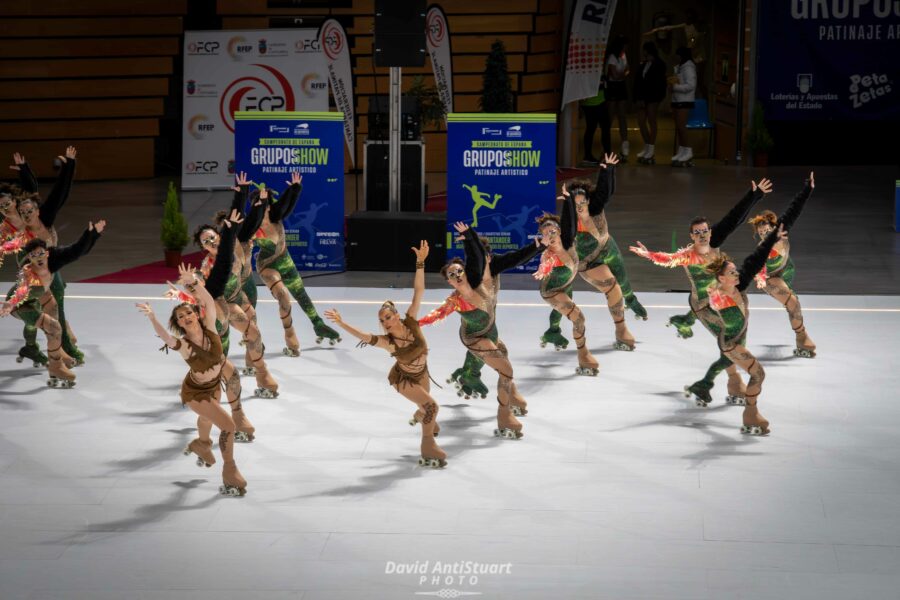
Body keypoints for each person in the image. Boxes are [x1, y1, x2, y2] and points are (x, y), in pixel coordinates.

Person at [629, 179, 771, 406]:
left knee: (735, 343)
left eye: (705, 231)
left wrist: (754, 195)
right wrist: (648, 254)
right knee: (732, 344)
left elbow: (734, 218)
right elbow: (667, 259)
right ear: (692, 236)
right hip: (705, 308)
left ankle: (730, 383)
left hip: (725, 301)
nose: (703, 235)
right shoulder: (688, 254)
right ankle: (714, 383)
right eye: (698, 233)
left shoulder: (715, 245)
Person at [325, 241, 447, 468]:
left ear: (397, 315)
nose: (385, 322)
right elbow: (364, 336)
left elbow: (419, 290)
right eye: (381, 320)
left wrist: (420, 263)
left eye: (388, 318)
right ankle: (428, 447)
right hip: (404, 380)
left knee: (427, 412)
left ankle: (422, 417)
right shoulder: (388, 342)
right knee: (432, 407)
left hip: (422, 373)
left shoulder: (411, 320)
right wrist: (342, 323)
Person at [137, 262, 248, 496]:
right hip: (195, 392)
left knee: (208, 420)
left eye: (188, 312)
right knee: (228, 426)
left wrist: (193, 283)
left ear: (196, 316)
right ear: (178, 324)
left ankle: (202, 444)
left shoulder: (210, 327)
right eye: (180, 317)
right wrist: (152, 318)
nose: (185, 316)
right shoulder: (184, 345)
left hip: (213, 383)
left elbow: (207, 302)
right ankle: (230, 472)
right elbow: (167, 339)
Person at [421, 223, 539, 438]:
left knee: (504, 357)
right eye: (453, 274)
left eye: (459, 271)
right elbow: (436, 314)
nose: (457, 274)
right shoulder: (465, 287)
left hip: (491, 329)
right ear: (449, 281)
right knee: (506, 370)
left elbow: (515, 257)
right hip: (475, 337)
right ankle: (503, 417)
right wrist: (415, 324)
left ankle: (510, 396)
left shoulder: (493, 270)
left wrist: (537, 247)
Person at [544, 153, 646, 353]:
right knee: (603, 287)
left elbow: (605, 192)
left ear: (589, 201)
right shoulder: (568, 221)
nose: (580, 207)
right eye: (575, 204)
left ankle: (631, 302)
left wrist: (607, 170)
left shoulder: (596, 207)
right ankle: (554, 329)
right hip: (586, 262)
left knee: (624, 282)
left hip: (607, 247)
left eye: (583, 203)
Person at [441, 225, 541, 402]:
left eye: (489, 257)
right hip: (473, 329)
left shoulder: (494, 264)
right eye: (484, 257)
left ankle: (468, 374)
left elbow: (517, 258)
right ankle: (505, 404)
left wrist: (538, 246)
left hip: (489, 324)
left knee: (502, 352)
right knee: (498, 359)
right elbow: (475, 258)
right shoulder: (471, 275)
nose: (487, 260)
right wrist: (469, 238)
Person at [1, 220, 105, 388]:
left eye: (41, 253)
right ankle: (55, 366)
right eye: (33, 256)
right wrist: (10, 304)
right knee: (54, 327)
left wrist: (91, 234)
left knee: (52, 307)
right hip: (20, 305)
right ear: (29, 258)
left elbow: (76, 251)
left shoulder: (54, 258)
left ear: (47, 253)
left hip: (38, 296)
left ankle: (55, 351)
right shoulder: (28, 273)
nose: (38, 258)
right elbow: (22, 290)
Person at [705, 224, 786, 435]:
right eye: (732, 273)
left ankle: (739, 394)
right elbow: (713, 300)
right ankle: (750, 414)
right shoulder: (719, 297)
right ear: (722, 278)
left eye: (735, 271)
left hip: (739, 340)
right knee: (758, 373)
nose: (737, 273)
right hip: (731, 344)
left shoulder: (738, 286)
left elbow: (756, 257)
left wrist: (772, 239)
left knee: (755, 373)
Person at [9, 148, 82, 365]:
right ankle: (59, 349)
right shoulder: (19, 224)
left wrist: (69, 166)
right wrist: (24, 172)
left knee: (51, 305)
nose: (27, 213)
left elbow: (61, 192)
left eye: (31, 210)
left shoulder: (45, 214)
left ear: (37, 210)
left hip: (50, 267)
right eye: (23, 211)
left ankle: (38, 346)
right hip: (33, 270)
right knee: (39, 306)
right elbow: (26, 194)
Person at [255, 172, 341, 356]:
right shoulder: (252, 225)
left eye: (269, 204)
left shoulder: (276, 216)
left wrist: (295, 188)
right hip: (267, 266)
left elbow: (288, 205)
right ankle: (290, 334)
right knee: (283, 296)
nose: (267, 208)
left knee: (301, 294)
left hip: (285, 261)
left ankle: (318, 324)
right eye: (263, 204)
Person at [747, 174, 817, 358]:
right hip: (772, 279)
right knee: (793, 302)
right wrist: (761, 278)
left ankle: (798, 330)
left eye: (766, 231)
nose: (764, 235)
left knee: (792, 304)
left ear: (773, 226)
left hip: (787, 269)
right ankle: (802, 338)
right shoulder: (762, 248)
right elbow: (758, 269)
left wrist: (807, 188)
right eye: (761, 233)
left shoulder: (782, 231)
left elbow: (794, 209)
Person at [534, 202, 599, 376]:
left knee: (562, 312)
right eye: (545, 234)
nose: (549, 235)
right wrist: (542, 269)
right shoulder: (548, 255)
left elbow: (570, 221)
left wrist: (569, 200)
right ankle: (584, 356)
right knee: (579, 319)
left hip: (566, 284)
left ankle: (552, 332)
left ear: (560, 231)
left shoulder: (569, 243)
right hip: (552, 291)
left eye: (552, 231)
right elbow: (545, 265)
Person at [633, 41, 667, 165]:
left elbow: (659, 84)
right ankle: (647, 146)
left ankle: (651, 148)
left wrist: (656, 98)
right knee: (641, 122)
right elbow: (639, 81)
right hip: (643, 98)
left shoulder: (659, 64)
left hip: (653, 98)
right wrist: (638, 98)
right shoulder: (644, 64)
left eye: (645, 50)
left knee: (652, 121)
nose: (643, 53)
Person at [669, 47, 697, 167]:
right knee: (679, 128)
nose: (676, 58)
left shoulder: (689, 68)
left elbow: (691, 85)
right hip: (677, 100)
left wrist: (675, 87)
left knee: (682, 126)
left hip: (685, 101)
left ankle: (688, 151)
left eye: (678, 55)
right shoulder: (680, 67)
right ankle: (682, 151)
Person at [605, 36, 630, 160]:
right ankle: (606, 147)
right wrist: (622, 74)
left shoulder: (623, 56)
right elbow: (614, 75)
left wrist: (622, 74)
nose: (626, 48)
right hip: (613, 87)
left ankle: (625, 145)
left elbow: (627, 71)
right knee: (610, 116)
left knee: (622, 116)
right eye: (625, 46)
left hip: (621, 86)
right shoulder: (612, 57)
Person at [579, 84, 612, 166]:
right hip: (595, 99)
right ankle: (606, 156)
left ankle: (588, 156)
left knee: (592, 128)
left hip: (591, 99)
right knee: (604, 128)